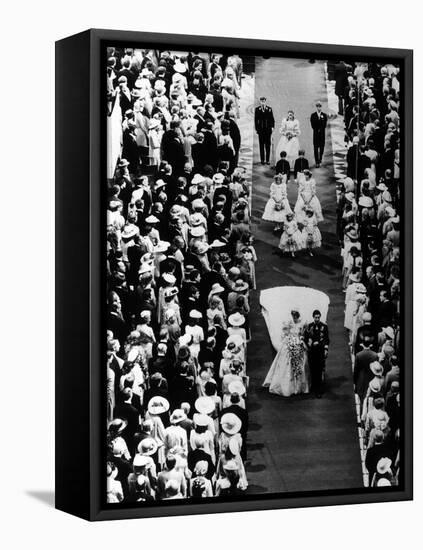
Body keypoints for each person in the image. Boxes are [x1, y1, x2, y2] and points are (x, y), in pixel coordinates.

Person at [263, 309, 310, 396]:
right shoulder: (288, 323)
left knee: (301, 363)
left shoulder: (302, 323)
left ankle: (299, 386)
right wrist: (288, 340)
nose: (294, 317)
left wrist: (301, 338)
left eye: (296, 316)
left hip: (298, 343)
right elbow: (284, 334)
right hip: (290, 343)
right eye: (293, 315)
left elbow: (303, 334)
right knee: (285, 362)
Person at [306, 310, 329, 397]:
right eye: (315, 317)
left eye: (318, 317)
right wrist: (309, 343)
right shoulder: (309, 326)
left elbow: (326, 339)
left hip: (320, 351)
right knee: (312, 369)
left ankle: (319, 390)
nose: (317, 319)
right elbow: (306, 336)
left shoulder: (324, 326)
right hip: (312, 352)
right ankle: (314, 386)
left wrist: (326, 349)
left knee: (319, 370)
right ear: (313, 317)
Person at [254, 96, 275, 165]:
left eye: (264, 101)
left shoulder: (269, 109)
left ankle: (267, 160)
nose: (263, 102)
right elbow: (256, 120)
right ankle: (262, 160)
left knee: (268, 145)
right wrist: (257, 129)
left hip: (268, 130)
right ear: (260, 102)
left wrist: (272, 127)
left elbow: (272, 119)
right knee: (261, 145)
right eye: (261, 101)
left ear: (265, 101)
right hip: (261, 130)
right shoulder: (257, 109)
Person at [310, 101, 328, 168]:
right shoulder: (313, 115)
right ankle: (316, 161)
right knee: (315, 148)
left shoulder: (324, 115)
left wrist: (321, 128)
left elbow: (324, 125)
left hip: (322, 134)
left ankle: (320, 159)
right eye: (317, 106)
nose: (319, 108)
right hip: (316, 134)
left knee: (321, 148)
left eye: (320, 106)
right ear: (316, 107)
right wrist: (317, 129)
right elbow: (312, 125)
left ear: (321, 107)